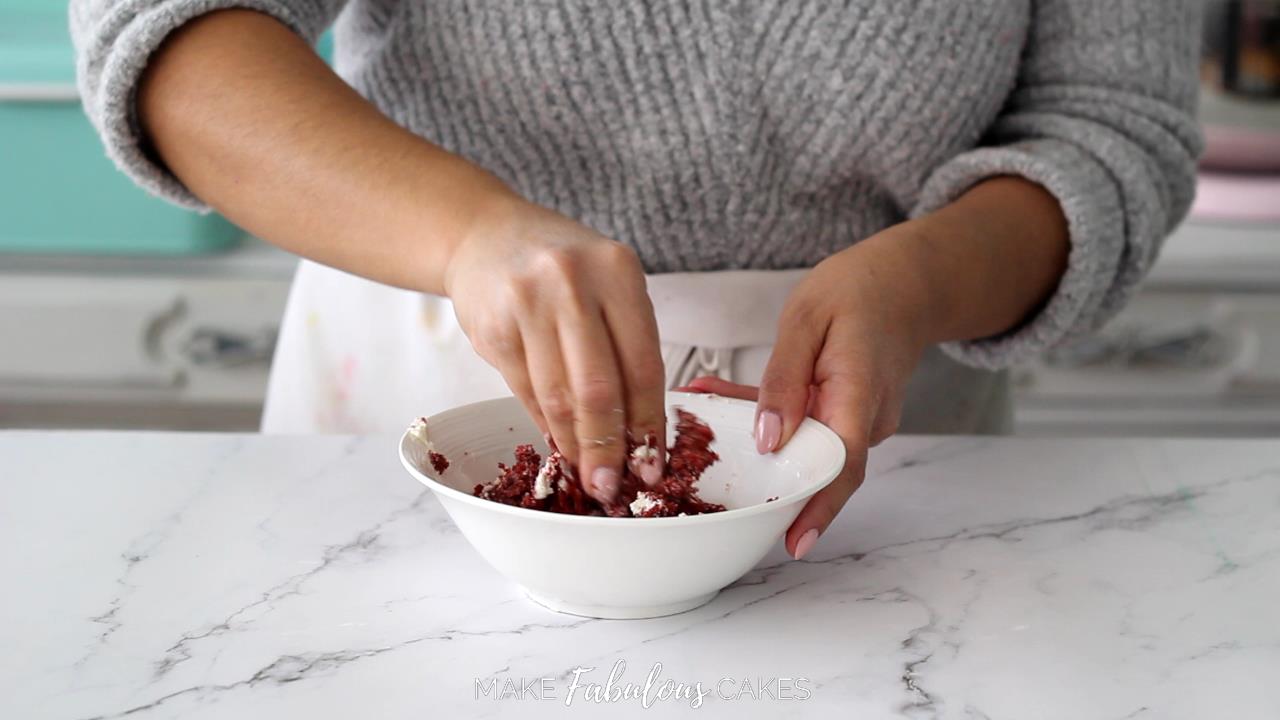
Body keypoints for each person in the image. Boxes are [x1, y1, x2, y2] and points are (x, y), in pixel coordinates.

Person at [71, 1, 1201, 559]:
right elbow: (163, 33)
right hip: (412, 399)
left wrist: (920, 282)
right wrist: (467, 232)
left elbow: (1109, 129)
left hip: (890, 451)